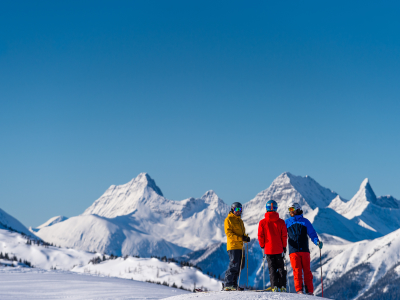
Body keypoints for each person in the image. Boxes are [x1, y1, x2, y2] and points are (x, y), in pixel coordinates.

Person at [285, 203, 323, 295]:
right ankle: (299, 291)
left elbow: (312, 233)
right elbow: (282, 235)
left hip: (304, 250)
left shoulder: (305, 222)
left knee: (307, 271)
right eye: (289, 209)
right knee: (297, 271)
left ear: (298, 209)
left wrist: (317, 241)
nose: (291, 211)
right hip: (293, 251)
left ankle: (309, 291)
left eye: (292, 209)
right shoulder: (286, 222)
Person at [258, 199, 288, 292]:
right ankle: (282, 286)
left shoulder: (262, 222)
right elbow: (284, 236)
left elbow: (260, 236)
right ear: (276, 209)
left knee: (272, 268)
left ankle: (274, 286)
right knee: (280, 267)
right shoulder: (281, 222)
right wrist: (284, 246)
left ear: (266, 209)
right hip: (279, 249)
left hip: (268, 250)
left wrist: (262, 245)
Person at [224, 202, 250, 291]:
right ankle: (228, 283)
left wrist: (245, 238)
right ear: (232, 209)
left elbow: (241, 233)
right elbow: (229, 234)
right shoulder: (228, 220)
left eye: (240, 209)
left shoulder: (240, 221)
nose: (238, 211)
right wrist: (240, 238)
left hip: (240, 246)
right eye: (236, 209)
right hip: (233, 246)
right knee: (234, 265)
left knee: (240, 266)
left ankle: (234, 284)